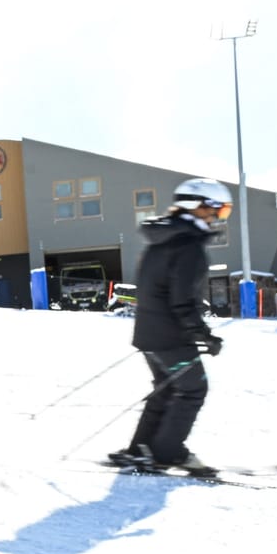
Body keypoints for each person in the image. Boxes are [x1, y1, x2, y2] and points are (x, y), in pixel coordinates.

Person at [111, 178, 231, 474]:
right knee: (192, 390)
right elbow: (181, 300)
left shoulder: (162, 239)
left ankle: (141, 448)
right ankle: (167, 452)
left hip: (150, 334)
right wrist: (202, 335)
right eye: (218, 210)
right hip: (171, 337)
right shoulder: (187, 245)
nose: (219, 217)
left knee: (166, 392)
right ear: (197, 207)